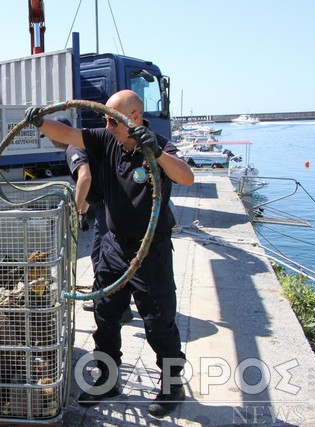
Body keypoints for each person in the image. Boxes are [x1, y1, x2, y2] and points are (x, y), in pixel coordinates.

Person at [26, 89, 194, 417]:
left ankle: (172, 385)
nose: (107, 124)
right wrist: (40, 122)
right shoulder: (107, 139)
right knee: (105, 316)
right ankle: (107, 379)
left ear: (134, 117)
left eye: (112, 119)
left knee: (159, 322)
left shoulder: (159, 146)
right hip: (115, 245)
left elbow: (186, 177)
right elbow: (69, 134)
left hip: (151, 249)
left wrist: (156, 152)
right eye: (105, 118)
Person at [45, 116, 134, 322]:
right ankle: (112, 303)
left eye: (51, 134)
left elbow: (85, 178)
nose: (50, 139)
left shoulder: (73, 148)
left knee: (104, 257)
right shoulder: (83, 144)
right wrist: (83, 212)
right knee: (103, 254)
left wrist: (75, 213)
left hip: (108, 204)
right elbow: (87, 187)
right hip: (109, 201)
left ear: (61, 131)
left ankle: (114, 308)